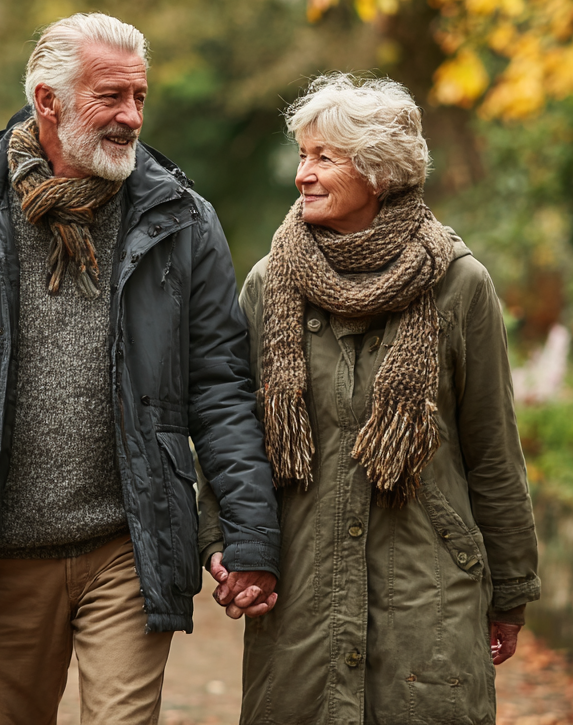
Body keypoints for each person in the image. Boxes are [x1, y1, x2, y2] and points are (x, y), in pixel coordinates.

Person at [0, 13, 280, 725]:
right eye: (110, 97)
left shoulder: (180, 219)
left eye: (140, 97)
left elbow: (220, 389)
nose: (131, 117)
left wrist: (247, 534)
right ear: (46, 100)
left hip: (130, 542)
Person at [199, 73, 541, 723]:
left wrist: (511, 590)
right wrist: (225, 544)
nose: (303, 174)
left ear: (381, 172)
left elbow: (493, 449)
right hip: (301, 591)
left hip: (427, 592)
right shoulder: (269, 285)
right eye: (303, 155)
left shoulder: (460, 285)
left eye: (325, 156)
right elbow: (231, 435)